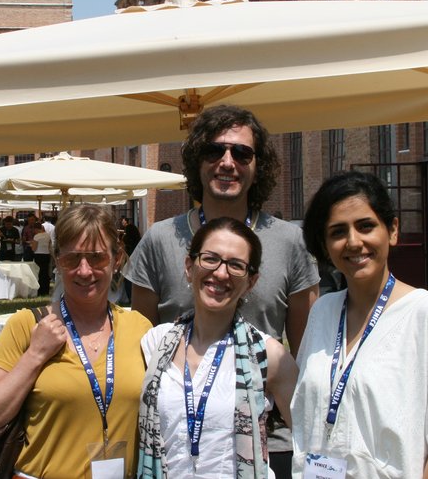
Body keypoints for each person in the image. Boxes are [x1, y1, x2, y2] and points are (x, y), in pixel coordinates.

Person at [125, 104, 320, 476]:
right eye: (214, 150)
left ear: (257, 165)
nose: (227, 162)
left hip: (269, 443)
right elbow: (142, 348)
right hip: (174, 443)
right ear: (197, 161)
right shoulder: (159, 240)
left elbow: (306, 350)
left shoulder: (290, 241)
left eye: (242, 153)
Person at [294, 171, 428, 477]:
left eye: (366, 226)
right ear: (325, 246)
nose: (354, 242)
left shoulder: (427, 315)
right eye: (338, 232)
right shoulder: (323, 312)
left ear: (392, 230)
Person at [0, 204, 152, 478]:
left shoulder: (141, 329)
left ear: (117, 259)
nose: (85, 271)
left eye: (97, 258)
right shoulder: (26, 326)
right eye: (72, 259)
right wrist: (35, 356)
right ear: (56, 260)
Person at [137, 217, 297, 478]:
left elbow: (314, 444)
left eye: (236, 265)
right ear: (190, 266)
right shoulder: (155, 344)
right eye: (210, 259)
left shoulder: (269, 355)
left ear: (251, 281)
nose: (221, 273)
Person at [31, 223, 53, 296]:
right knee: (45, 273)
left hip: (38, 255)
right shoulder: (48, 235)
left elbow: (34, 248)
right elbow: (50, 246)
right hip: (46, 255)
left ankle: (40, 290)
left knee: (39, 273)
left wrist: (31, 245)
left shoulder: (36, 236)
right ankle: (45, 290)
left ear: (35, 229)